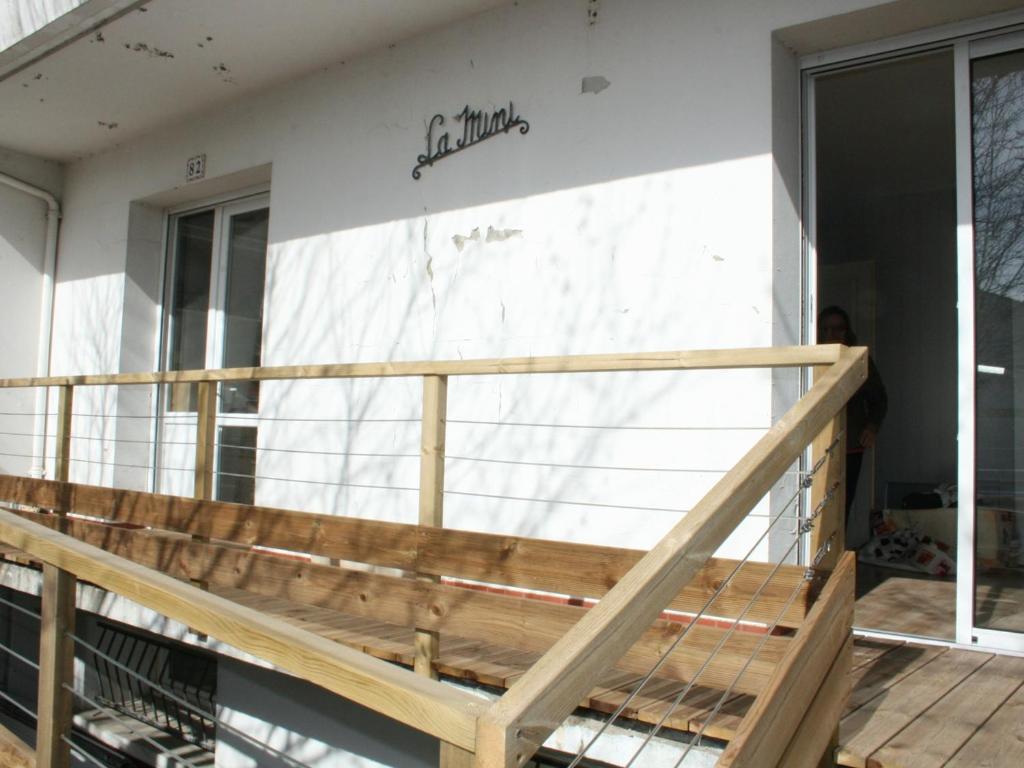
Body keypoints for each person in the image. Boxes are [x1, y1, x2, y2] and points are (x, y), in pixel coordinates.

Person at [817, 306, 888, 534]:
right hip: (816, 446)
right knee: (817, 504)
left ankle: (836, 561)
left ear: (847, 331)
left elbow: (879, 398)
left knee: (842, 505)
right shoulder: (811, 358)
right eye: (826, 329)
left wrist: (872, 426)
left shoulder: (859, 359)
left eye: (838, 329)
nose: (832, 335)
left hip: (850, 446)